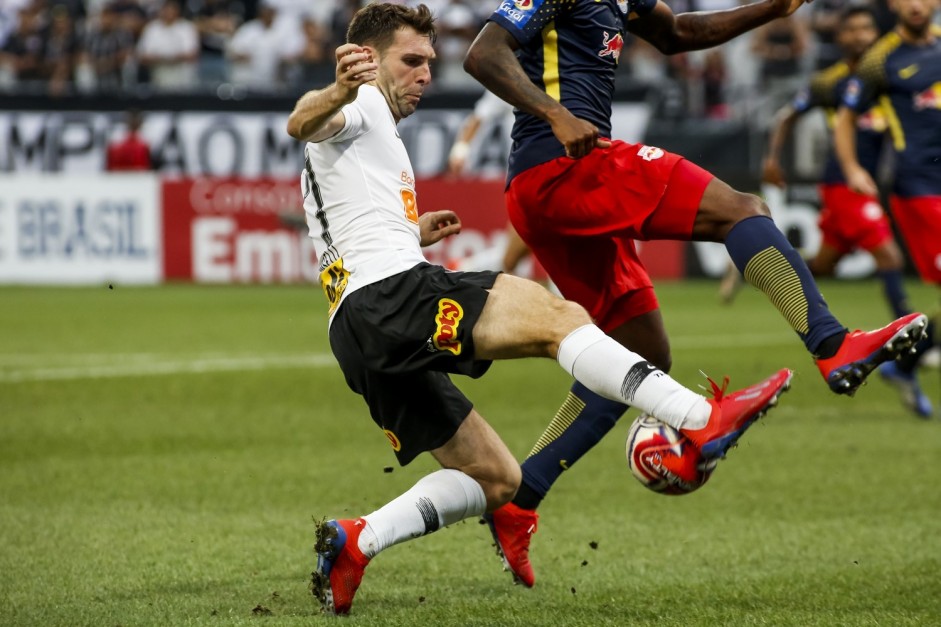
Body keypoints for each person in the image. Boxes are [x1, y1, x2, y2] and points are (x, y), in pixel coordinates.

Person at [286, 3, 794, 615]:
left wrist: (409, 230)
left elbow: (340, 211)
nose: (424, 74)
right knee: (563, 319)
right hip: (391, 296)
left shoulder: (376, 132)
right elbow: (301, 121)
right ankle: (697, 418)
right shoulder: (360, 101)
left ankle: (356, 541)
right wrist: (339, 88)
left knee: (495, 479)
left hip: (356, 328)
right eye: (412, 61)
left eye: (429, 62)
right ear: (368, 58)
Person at [462, 0, 929, 588]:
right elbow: (483, 54)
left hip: (549, 188)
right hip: (563, 167)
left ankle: (520, 497)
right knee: (740, 210)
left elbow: (680, 32)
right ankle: (833, 345)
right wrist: (555, 113)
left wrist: (773, 9)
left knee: (639, 352)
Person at [761, 5, 930, 416]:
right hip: (843, 186)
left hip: (870, 184)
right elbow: (788, 115)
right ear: (839, 39)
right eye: (851, 29)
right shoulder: (831, 82)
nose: (860, 35)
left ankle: (766, 265)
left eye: (866, 27)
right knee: (889, 256)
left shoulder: (887, 74)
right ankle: (909, 349)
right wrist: (772, 159)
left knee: (823, 264)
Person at [833, 0, 940, 418]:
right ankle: (901, 362)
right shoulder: (880, 59)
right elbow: (846, 117)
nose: (915, 4)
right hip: (918, 187)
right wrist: (852, 167)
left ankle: (904, 364)